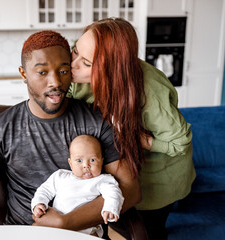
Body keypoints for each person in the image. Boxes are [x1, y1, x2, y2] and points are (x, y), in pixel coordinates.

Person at [0, 30, 141, 233]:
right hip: (21, 232)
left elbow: (131, 191)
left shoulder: (96, 121)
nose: (55, 82)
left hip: (81, 232)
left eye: (63, 71)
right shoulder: (2, 127)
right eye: (42, 72)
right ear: (24, 74)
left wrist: (67, 222)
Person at [69, 18, 196, 240]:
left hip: (155, 182)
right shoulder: (74, 71)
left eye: (87, 63)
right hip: (115, 172)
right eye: (75, 51)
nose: (73, 65)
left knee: (149, 230)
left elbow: (180, 143)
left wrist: (140, 139)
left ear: (111, 70)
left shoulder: (150, 90)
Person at [31, 134, 124, 237]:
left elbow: (114, 193)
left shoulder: (102, 180)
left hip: (87, 230)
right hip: (57, 229)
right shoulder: (60, 176)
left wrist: (111, 208)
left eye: (92, 160)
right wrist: (39, 203)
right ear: (70, 163)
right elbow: (44, 190)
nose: (86, 165)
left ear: (101, 161)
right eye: (79, 160)